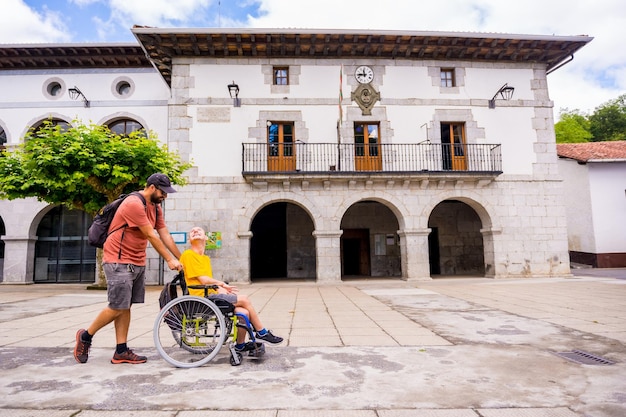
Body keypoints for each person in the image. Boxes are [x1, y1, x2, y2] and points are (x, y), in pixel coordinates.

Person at [74, 173, 183, 364]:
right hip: (118, 259)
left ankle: (121, 351)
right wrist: (168, 259)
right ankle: (86, 336)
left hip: (137, 261)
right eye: (163, 192)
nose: (165, 196)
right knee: (117, 306)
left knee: (125, 307)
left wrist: (182, 258)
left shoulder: (156, 209)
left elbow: (164, 234)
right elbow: (150, 235)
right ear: (151, 187)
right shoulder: (134, 203)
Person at [180, 226, 283, 351]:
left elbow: (207, 282)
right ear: (189, 239)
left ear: (206, 238)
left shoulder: (205, 258)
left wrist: (219, 289)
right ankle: (262, 333)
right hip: (201, 299)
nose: (195, 231)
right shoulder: (188, 254)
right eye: (192, 231)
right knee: (244, 299)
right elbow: (203, 280)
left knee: (244, 312)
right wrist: (221, 284)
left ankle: (240, 345)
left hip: (209, 295)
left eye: (199, 230)